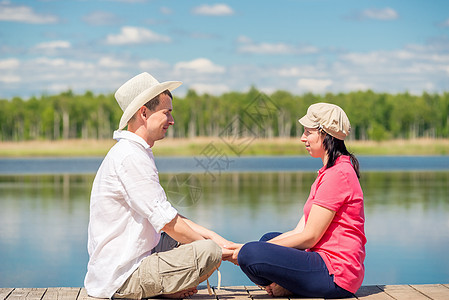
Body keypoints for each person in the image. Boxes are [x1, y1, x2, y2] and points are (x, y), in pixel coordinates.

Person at [84, 72, 233, 299]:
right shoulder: (130, 156)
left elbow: (168, 216)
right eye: (167, 113)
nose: (172, 121)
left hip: (133, 260)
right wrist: (215, 249)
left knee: (203, 243)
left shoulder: (135, 151)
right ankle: (163, 289)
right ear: (144, 113)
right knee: (208, 251)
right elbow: (168, 223)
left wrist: (217, 238)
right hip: (123, 277)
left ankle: (168, 287)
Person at [226, 103, 366, 299]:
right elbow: (300, 230)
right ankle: (288, 286)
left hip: (336, 274)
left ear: (325, 134)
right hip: (322, 260)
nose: (303, 138)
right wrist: (258, 247)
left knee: (251, 254)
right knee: (266, 240)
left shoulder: (338, 175)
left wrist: (243, 251)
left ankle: (289, 286)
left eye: (308, 132)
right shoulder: (330, 172)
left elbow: (310, 236)